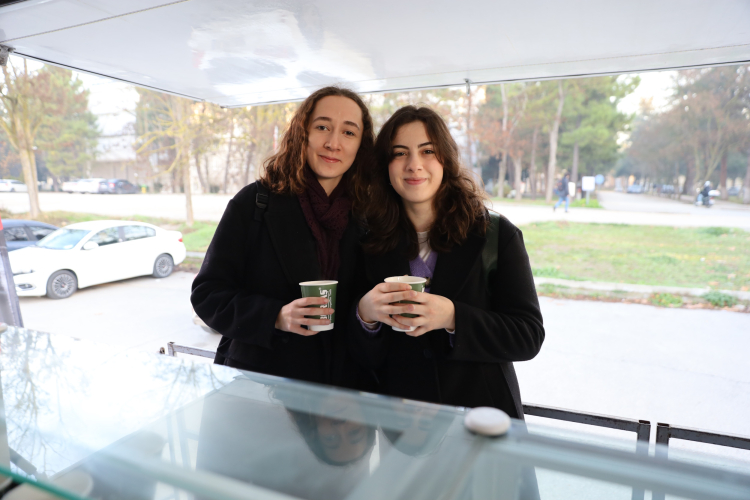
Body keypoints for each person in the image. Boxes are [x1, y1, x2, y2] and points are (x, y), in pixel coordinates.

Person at [349, 106, 545, 419]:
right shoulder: (367, 241)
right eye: (400, 153)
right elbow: (359, 356)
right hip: (405, 427)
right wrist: (365, 316)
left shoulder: (495, 235)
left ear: (446, 159)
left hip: (483, 423)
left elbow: (528, 336)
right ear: (385, 165)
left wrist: (453, 317)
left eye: (427, 151)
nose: (414, 165)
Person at [191, 86, 376, 390]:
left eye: (348, 132)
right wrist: (275, 316)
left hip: (340, 395)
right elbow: (207, 294)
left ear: (361, 145)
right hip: (260, 387)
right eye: (322, 127)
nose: (333, 143)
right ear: (302, 133)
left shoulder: (369, 215)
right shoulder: (255, 203)